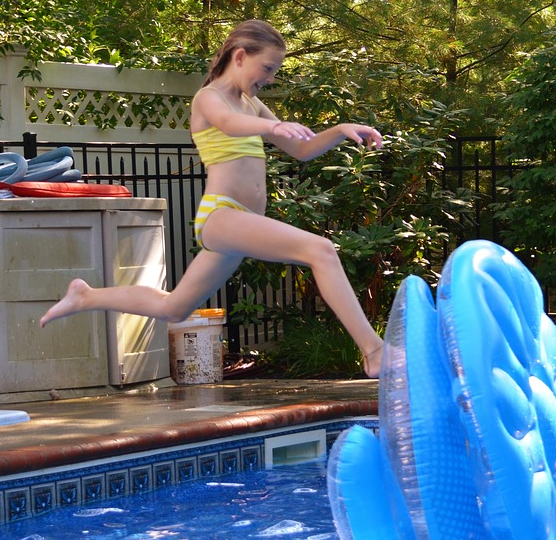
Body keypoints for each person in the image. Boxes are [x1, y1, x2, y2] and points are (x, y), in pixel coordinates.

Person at [41, 19, 384, 377]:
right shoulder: (210, 98)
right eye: (267, 68)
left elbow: (303, 149)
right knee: (321, 250)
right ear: (239, 56)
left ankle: (86, 296)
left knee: (174, 307)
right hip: (222, 216)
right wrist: (272, 126)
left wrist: (341, 130)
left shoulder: (251, 104)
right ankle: (373, 351)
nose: (268, 78)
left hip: (241, 224)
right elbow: (228, 124)